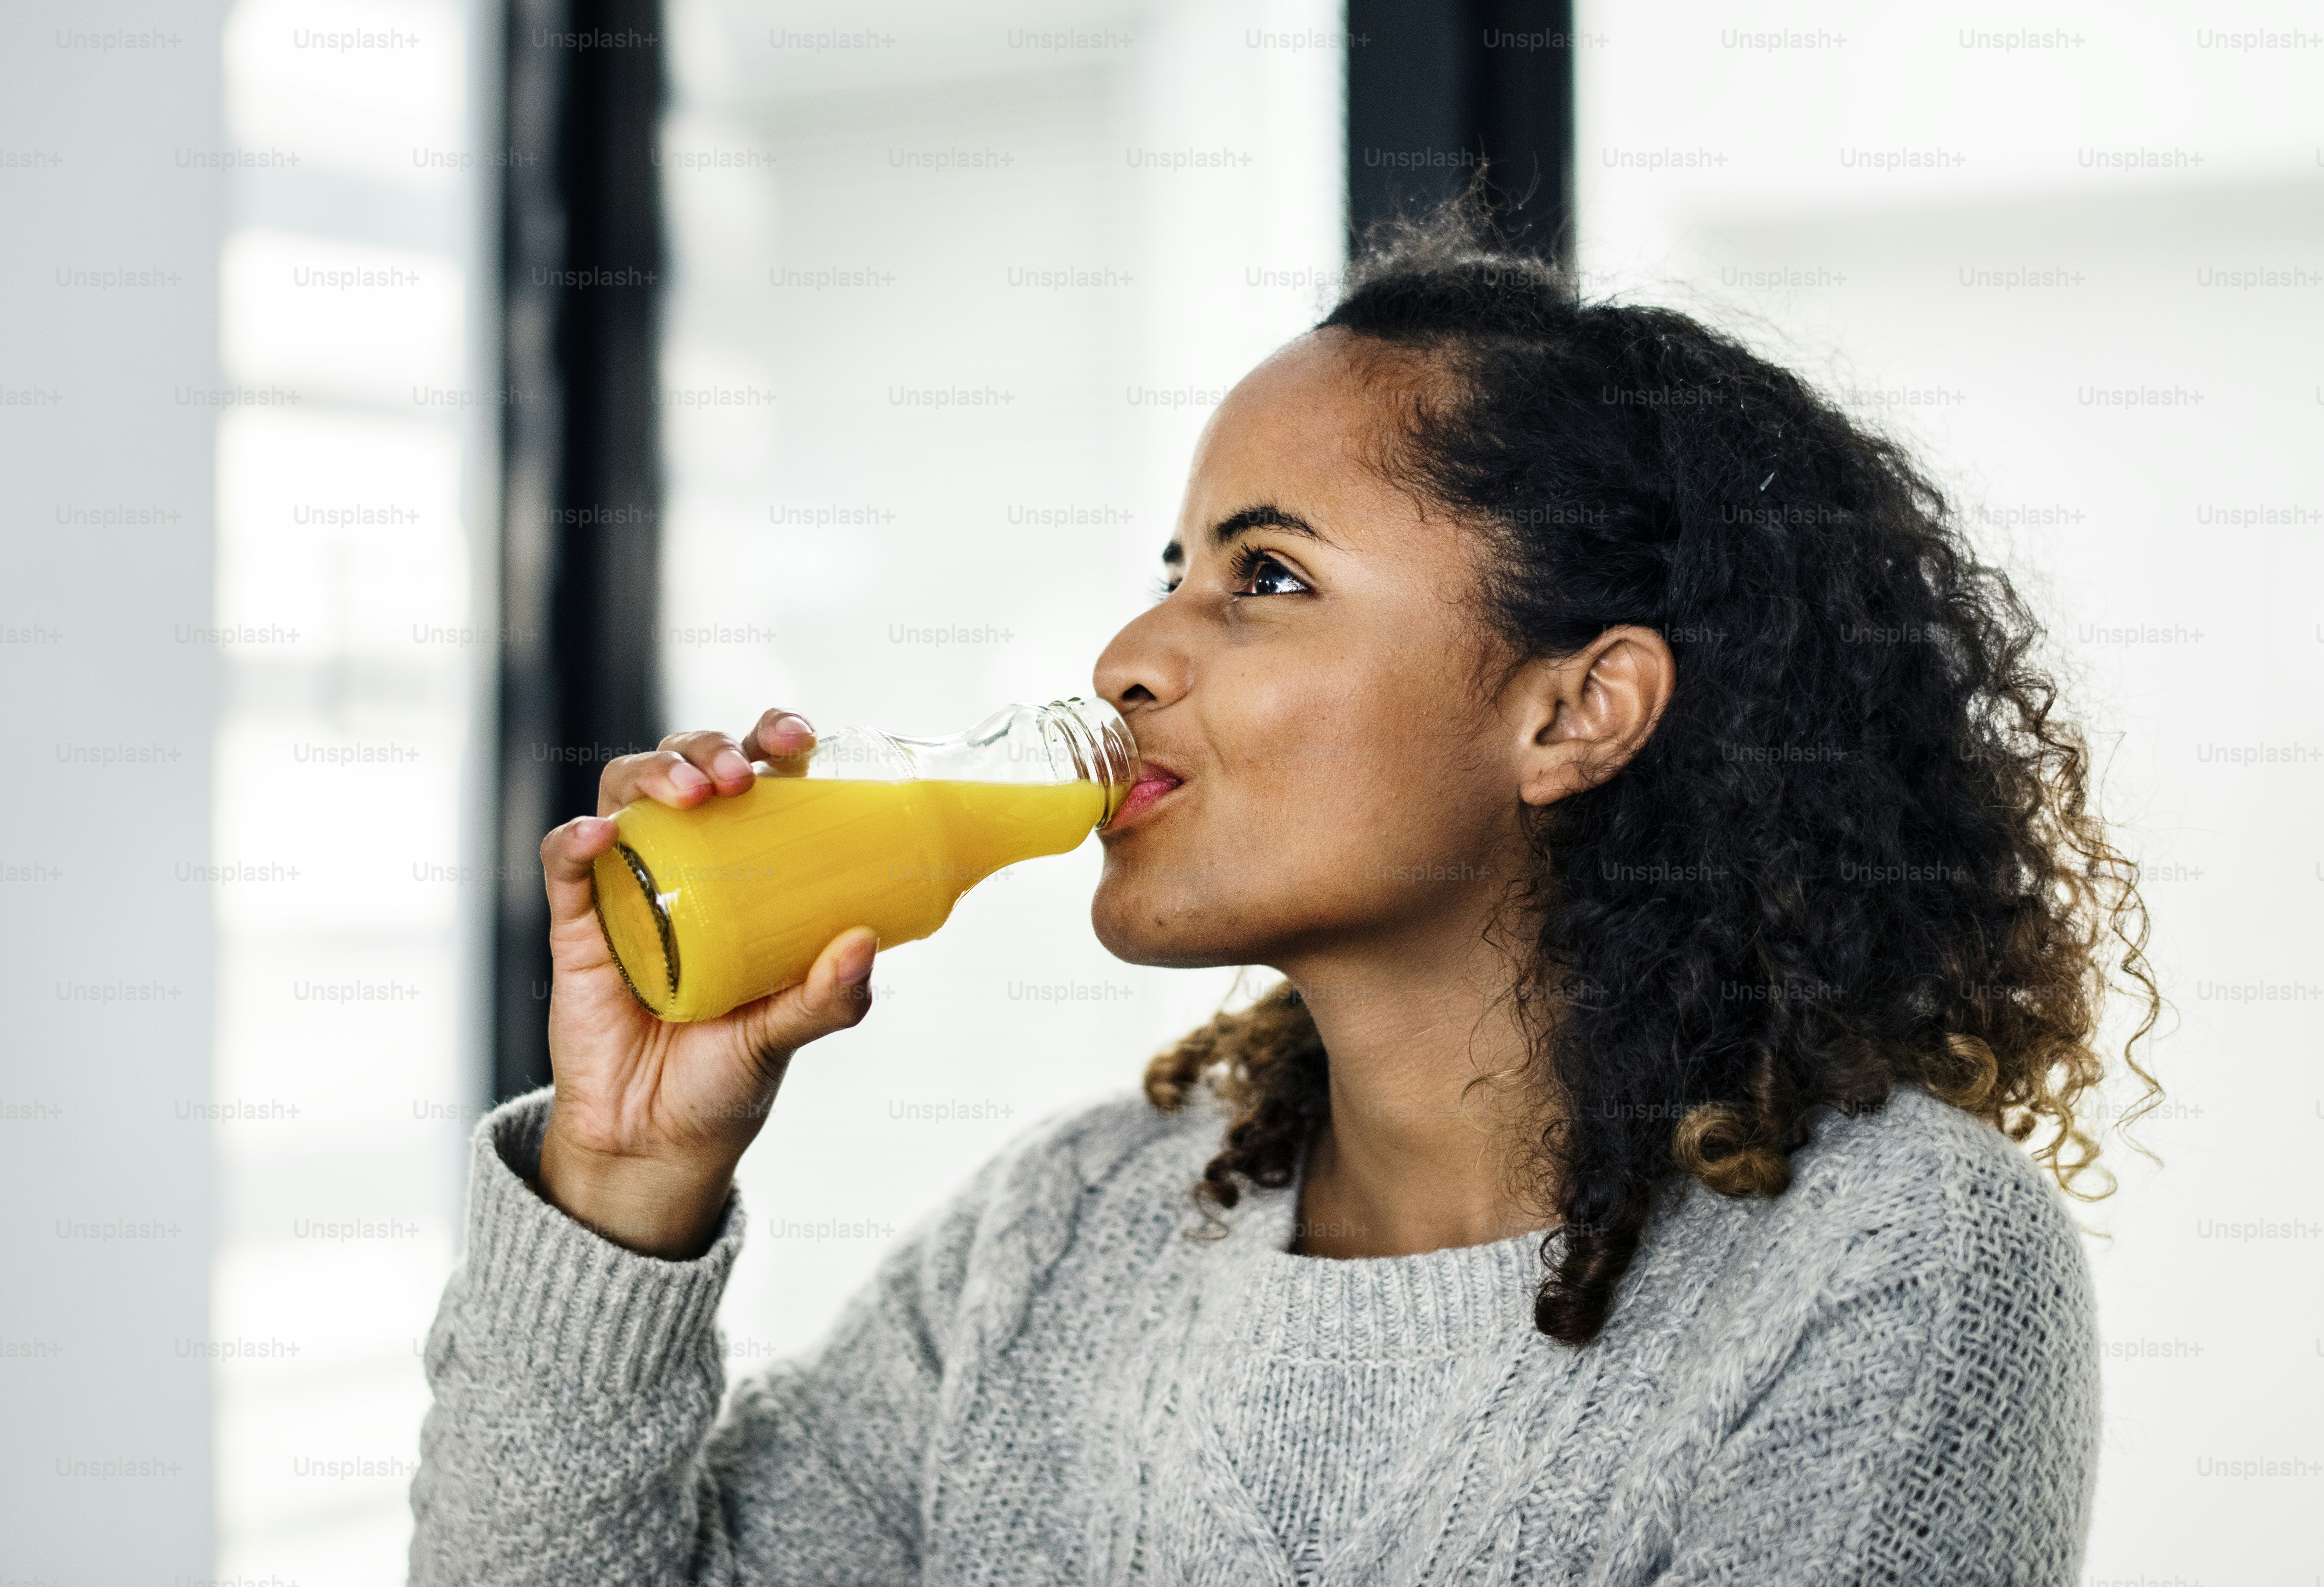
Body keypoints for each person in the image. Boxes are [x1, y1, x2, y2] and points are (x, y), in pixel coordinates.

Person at [408, 201, 2158, 1585]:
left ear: (1574, 709)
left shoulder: (1892, 1266)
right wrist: (624, 1178)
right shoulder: (1066, 1232)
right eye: (1172, 568)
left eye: (1267, 574)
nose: (1129, 655)